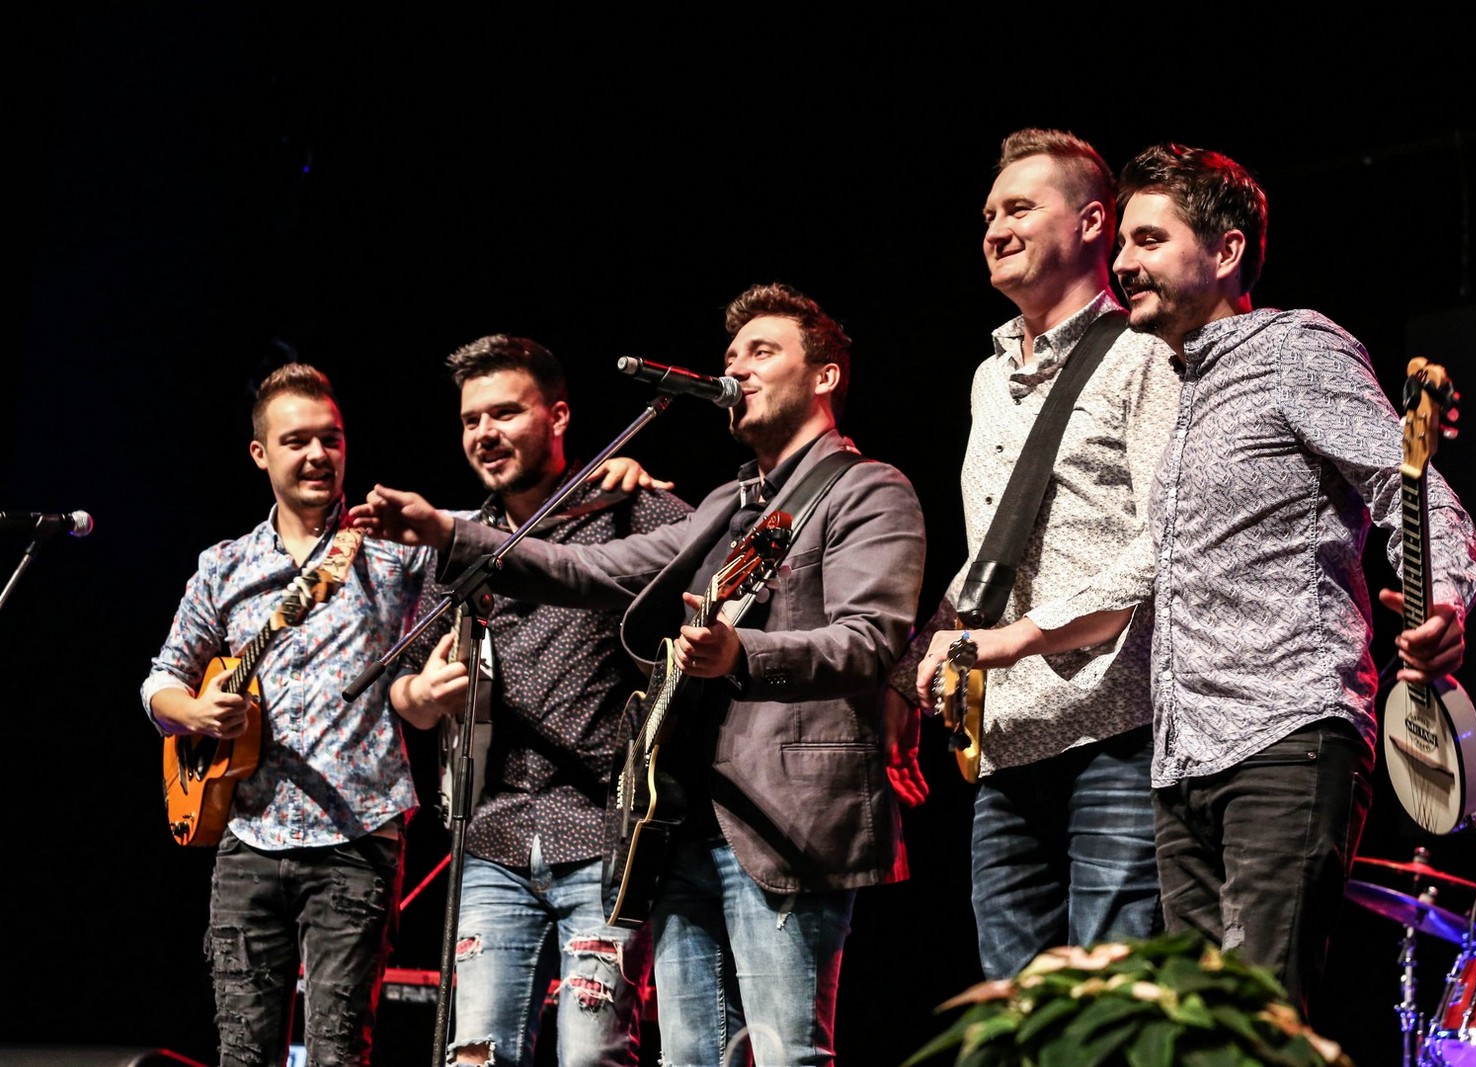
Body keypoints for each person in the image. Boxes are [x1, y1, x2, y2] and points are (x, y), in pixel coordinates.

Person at [352, 281, 926, 1066]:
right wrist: (447, 529)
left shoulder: (868, 488)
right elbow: (592, 570)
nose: (738, 370)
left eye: (762, 352)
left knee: (788, 1052)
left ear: (824, 375)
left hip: (790, 819)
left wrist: (743, 654)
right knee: (687, 1057)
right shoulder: (729, 503)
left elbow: (872, 638)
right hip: (686, 824)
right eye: (730, 357)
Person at [1108, 142, 1476, 1016]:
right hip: (1183, 758)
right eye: (1123, 243)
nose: (1123, 263)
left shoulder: (1295, 349)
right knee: (1197, 1036)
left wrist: (1448, 594)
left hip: (1286, 732)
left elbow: (1410, 484)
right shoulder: (1182, 388)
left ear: (1226, 251)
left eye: (1149, 240)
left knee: (1259, 1024)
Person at [900, 127, 1176, 981]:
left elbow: (1161, 544)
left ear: (1094, 222)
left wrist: (1017, 640)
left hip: (1117, 730)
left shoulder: (1142, 352)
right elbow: (992, 557)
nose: (994, 227)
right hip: (1006, 743)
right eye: (988, 212)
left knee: (1106, 1003)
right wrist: (914, 664)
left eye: (1019, 207)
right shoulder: (989, 377)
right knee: (1013, 1008)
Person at [387, 334, 691, 1066]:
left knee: (592, 1055)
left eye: (503, 413)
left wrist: (644, 484)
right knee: (476, 1055)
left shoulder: (628, 509)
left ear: (557, 416)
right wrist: (423, 697)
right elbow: (403, 681)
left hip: (606, 832)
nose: (483, 434)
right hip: (489, 838)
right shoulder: (457, 540)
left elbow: (718, 568)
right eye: (470, 420)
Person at [141, 363, 430, 1066]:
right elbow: (159, 685)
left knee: (337, 1049)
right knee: (243, 1052)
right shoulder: (225, 565)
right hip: (248, 835)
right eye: (296, 440)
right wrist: (199, 712)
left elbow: (502, 537)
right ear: (260, 453)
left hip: (357, 837)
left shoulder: (395, 551)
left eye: (330, 440)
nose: (317, 456)